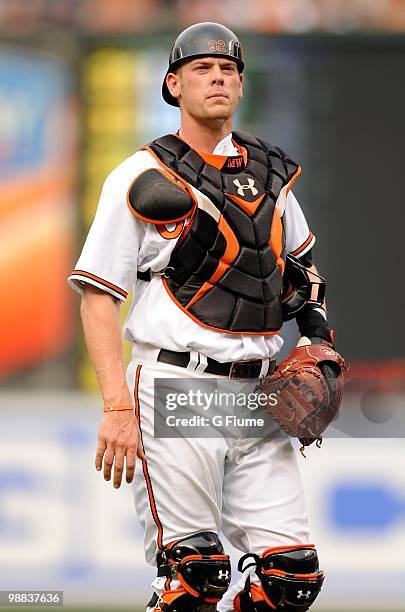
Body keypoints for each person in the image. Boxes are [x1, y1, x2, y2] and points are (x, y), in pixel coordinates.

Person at [68, 22, 334, 612]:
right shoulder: (144, 175)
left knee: (292, 579)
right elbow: (98, 294)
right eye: (201, 69)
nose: (217, 77)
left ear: (241, 85)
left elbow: (302, 269)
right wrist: (116, 405)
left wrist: (319, 340)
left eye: (228, 69)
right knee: (195, 577)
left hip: (258, 393)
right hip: (176, 383)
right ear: (173, 85)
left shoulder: (270, 174)